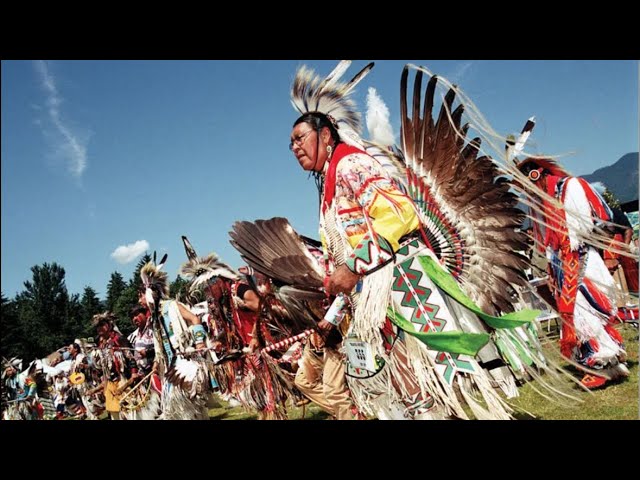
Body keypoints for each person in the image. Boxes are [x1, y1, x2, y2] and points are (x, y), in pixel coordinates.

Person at [287, 62, 539, 419]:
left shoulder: (350, 166)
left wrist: (353, 268)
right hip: (379, 290)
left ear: (326, 135)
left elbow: (397, 215)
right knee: (407, 385)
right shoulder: (330, 183)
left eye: (300, 138)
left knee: (422, 382)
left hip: (403, 280)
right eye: (291, 143)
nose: (295, 147)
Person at [516, 156, 630, 388]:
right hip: (561, 264)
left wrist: (608, 254)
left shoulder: (570, 186)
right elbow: (546, 241)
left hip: (581, 258)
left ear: (536, 173)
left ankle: (601, 365)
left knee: (585, 313)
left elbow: (596, 223)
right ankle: (611, 365)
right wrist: (551, 267)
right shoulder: (539, 202)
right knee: (578, 314)